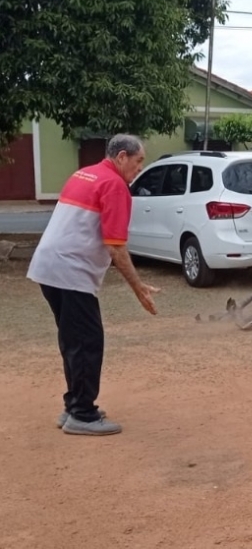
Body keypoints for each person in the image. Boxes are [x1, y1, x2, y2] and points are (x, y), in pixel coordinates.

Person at [27, 134, 160, 436]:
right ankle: (83, 415)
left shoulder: (84, 173)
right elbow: (116, 247)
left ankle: (74, 407)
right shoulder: (114, 185)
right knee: (87, 342)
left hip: (49, 267)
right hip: (70, 272)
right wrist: (138, 288)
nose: (141, 166)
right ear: (122, 156)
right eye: (139, 160)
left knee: (74, 341)